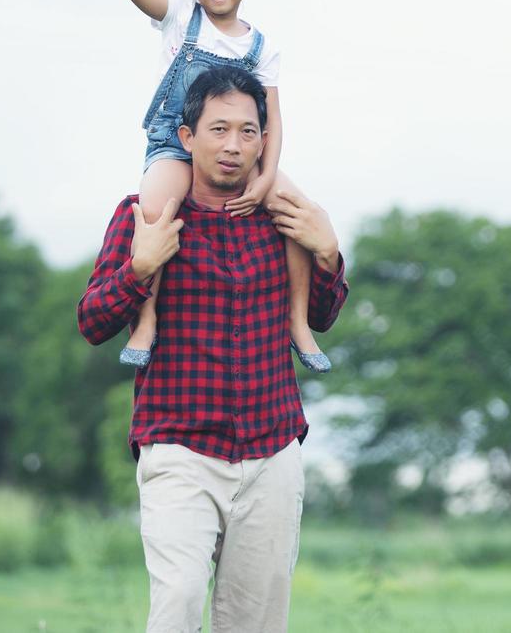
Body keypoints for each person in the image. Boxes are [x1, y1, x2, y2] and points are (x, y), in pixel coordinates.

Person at [78, 66, 348, 632]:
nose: (233, 146)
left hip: (271, 450)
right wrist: (140, 268)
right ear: (186, 136)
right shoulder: (147, 215)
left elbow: (321, 316)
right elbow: (93, 321)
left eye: (248, 132)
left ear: (265, 141)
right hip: (179, 447)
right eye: (219, 129)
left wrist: (327, 254)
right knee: (176, 608)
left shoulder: (284, 221)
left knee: (255, 622)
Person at [116, 0, 329, 373]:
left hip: (242, 150)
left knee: (298, 213)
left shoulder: (261, 48)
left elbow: (272, 121)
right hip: (176, 142)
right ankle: (145, 320)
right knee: (154, 207)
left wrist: (265, 177)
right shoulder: (178, 18)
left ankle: (298, 322)